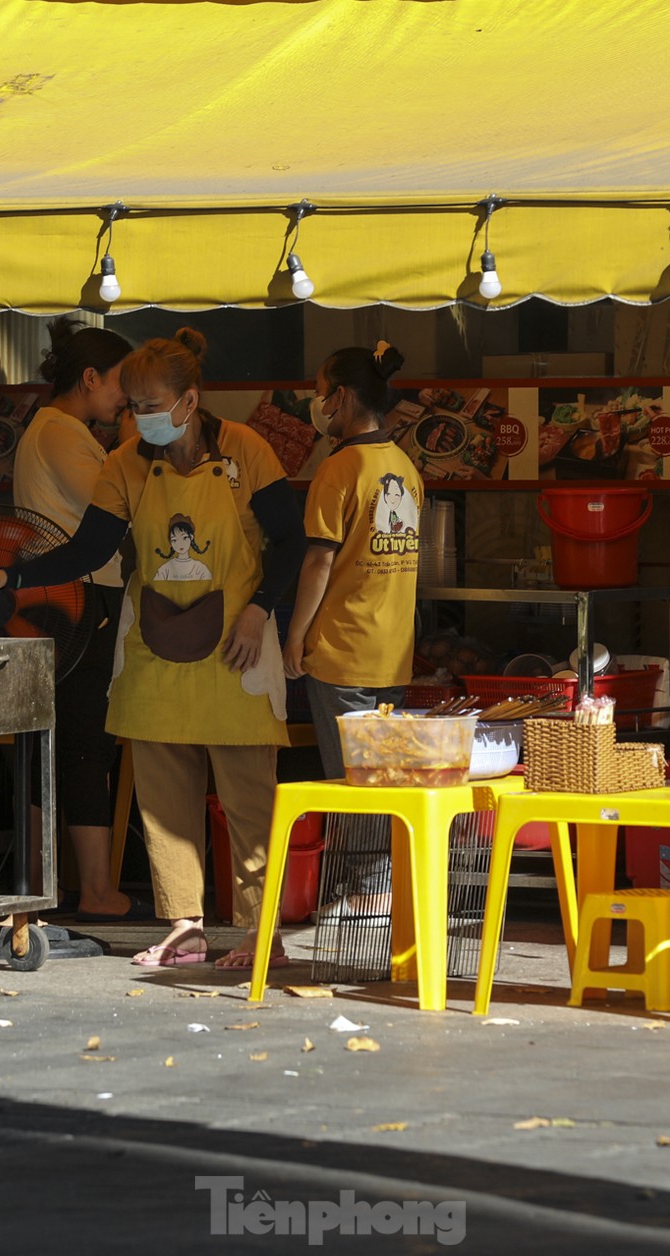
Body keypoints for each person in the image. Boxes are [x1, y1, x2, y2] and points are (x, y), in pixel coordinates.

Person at [0, 328, 305, 969]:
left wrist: (260, 612)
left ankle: (264, 933)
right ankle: (185, 925)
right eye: (134, 404)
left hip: (238, 646)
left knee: (250, 800)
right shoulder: (124, 465)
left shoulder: (247, 452)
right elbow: (88, 551)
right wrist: (11, 574)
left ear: (189, 400)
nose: (138, 416)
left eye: (150, 404)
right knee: (163, 800)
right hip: (153, 650)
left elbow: (292, 542)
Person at [281, 342, 421, 919]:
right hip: (393, 656)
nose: (317, 402)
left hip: (342, 653)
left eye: (321, 391)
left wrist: (294, 636)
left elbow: (318, 563)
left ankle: (365, 897)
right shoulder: (407, 469)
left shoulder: (339, 468)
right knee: (381, 781)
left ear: (340, 397)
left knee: (350, 783)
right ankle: (377, 890)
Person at [10, 317, 141, 921]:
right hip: (80, 599)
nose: (125, 397)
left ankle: (46, 884)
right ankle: (92, 889)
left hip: (57, 601)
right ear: (89, 379)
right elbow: (120, 506)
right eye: (119, 384)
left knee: (52, 741)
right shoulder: (62, 433)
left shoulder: (57, 428)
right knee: (87, 742)